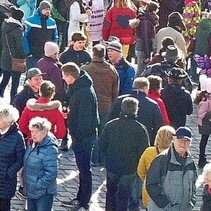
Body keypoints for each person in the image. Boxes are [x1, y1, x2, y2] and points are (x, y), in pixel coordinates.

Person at [98, 97, 150, 211]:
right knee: (124, 195)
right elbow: (143, 151)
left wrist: (107, 157)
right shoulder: (141, 129)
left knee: (110, 192)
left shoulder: (111, 125)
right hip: (129, 168)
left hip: (112, 165)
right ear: (136, 110)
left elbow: (101, 145)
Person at [61, 62, 99, 211]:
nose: (63, 79)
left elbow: (84, 119)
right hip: (81, 136)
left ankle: (84, 201)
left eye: (64, 76)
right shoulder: (79, 87)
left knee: (84, 170)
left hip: (84, 138)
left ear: (71, 76)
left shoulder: (84, 93)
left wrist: (76, 135)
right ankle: (79, 198)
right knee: (82, 169)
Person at [145, 126, 198, 211]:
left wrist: (191, 202)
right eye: (180, 140)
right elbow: (151, 185)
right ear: (174, 139)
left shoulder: (190, 162)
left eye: (186, 141)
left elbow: (193, 184)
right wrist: (166, 206)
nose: (182, 143)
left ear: (190, 143)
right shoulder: (162, 160)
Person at [23, 117, 59, 211]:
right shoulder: (32, 144)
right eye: (32, 131)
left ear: (44, 132)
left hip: (43, 192)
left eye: (37, 132)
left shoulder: (50, 149)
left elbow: (52, 173)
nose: (33, 134)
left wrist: (37, 184)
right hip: (31, 189)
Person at [137, 125, 176, 210]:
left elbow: (140, 171)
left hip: (150, 194)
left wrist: (148, 180)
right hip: (171, 196)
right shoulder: (176, 155)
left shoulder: (149, 151)